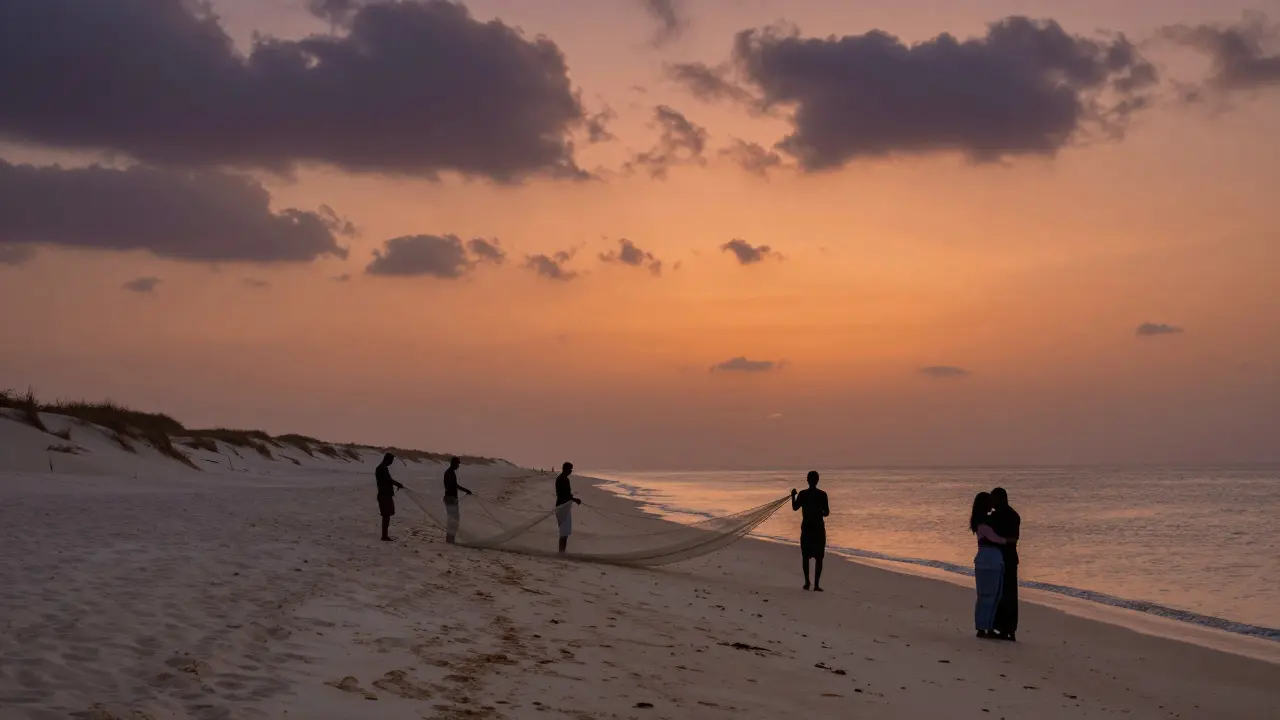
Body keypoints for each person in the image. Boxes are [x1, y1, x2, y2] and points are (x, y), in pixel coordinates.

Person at [970, 492, 1008, 638]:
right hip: (991, 560)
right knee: (992, 595)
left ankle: (983, 626)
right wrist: (1008, 540)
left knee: (984, 595)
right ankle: (986, 627)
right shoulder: (985, 523)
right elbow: (996, 539)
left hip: (983, 559)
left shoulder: (978, 521)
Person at [989, 487, 1021, 641]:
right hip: (1006, 556)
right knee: (1007, 593)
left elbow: (1013, 539)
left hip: (1004, 557)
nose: (992, 502)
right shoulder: (1012, 515)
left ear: (1001, 499)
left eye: (994, 499)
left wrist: (1000, 541)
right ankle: (1007, 628)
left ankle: (1005, 628)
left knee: (1004, 593)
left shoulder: (1002, 516)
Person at [791, 471, 830, 591]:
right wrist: (820, 511)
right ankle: (816, 585)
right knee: (819, 557)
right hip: (818, 528)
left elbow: (795, 507)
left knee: (805, 555)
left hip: (807, 528)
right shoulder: (823, 494)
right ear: (817, 481)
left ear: (807, 480)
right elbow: (826, 513)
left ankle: (807, 582)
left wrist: (793, 495)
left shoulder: (802, 494)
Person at [443, 456, 473, 544]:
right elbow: (453, 485)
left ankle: (451, 538)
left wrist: (465, 490)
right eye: (457, 463)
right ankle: (450, 539)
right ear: (453, 463)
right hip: (450, 499)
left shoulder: (451, 472)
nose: (458, 465)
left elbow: (454, 485)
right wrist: (465, 490)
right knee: (453, 519)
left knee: (454, 519)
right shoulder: (449, 473)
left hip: (451, 498)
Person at [376, 453, 405, 542]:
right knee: (386, 515)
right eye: (391, 461)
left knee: (387, 515)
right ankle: (384, 536)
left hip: (385, 495)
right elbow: (388, 481)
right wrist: (397, 484)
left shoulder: (383, 468)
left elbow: (388, 480)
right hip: (384, 495)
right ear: (387, 459)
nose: (392, 463)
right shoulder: (382, 468)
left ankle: (385, 535)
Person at [554, 462, 582, 554]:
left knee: (565, 532)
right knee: (564, 531)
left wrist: (572, 499)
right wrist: (574, 499)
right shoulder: (560, 479)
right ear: (564, 469)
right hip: (561, 507)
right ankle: (561, 552)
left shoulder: (566, 479)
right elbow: (561, 495)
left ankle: (562, 551)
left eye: (571, 469)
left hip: (565, 507)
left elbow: (568, 494)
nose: (571, 471)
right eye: (570, 469)